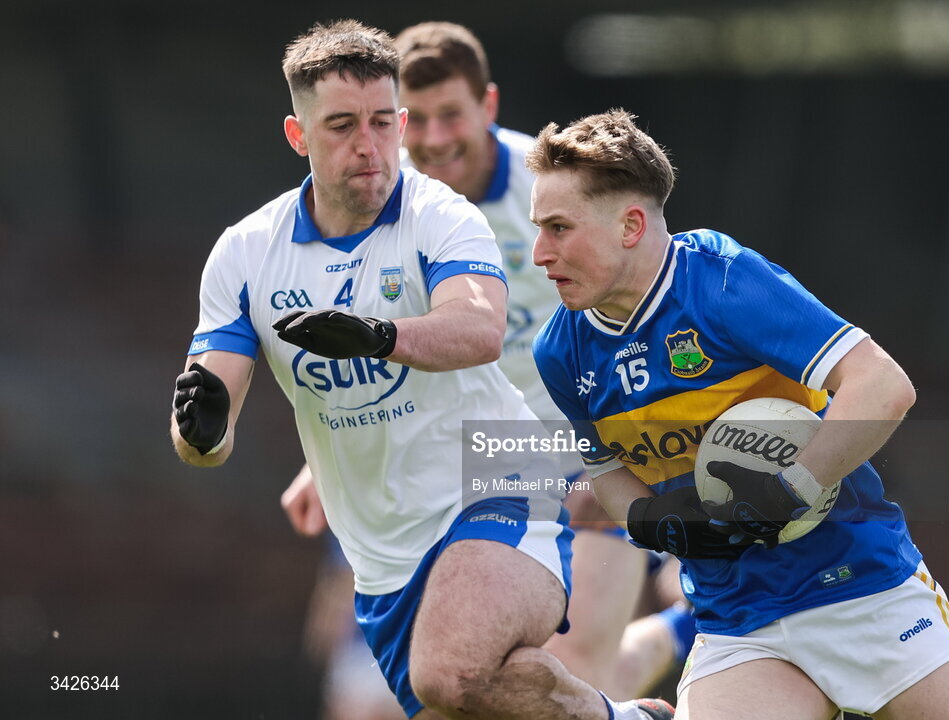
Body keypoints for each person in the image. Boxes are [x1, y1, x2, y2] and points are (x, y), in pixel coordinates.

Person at [169, 20, 673, 720]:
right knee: (475, 695)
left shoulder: (448, 213)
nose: (374, 144)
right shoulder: (245, 253)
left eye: (383, 123)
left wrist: (656, 439)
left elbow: (478, 328)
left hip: (521, 469)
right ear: (298, 135)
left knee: (465, 668)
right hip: (382, 544)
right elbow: (206, 425)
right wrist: (202, 429)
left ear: (482, 108)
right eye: (342, 125)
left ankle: (656, 655)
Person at [527, 109, 949, 720]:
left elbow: (882, 387)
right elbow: (605, 470)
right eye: (539, 229)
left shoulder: (723, 283)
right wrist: (649, 519)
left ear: (630, 225)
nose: (542, 252)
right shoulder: (560, 350)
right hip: (738, 624)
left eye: (560, 228)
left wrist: (791, 489)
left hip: (862, 589)